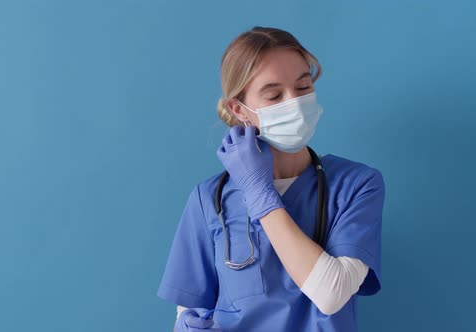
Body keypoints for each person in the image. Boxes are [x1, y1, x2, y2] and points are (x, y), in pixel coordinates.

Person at [157, 26, 385, 332]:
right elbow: (190, 309)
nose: (294, 102)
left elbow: (331, 294)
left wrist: (258, 191)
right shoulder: (210, 199)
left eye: (303, 88)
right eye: (275, 95)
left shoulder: (356, 184)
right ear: (240, 110)